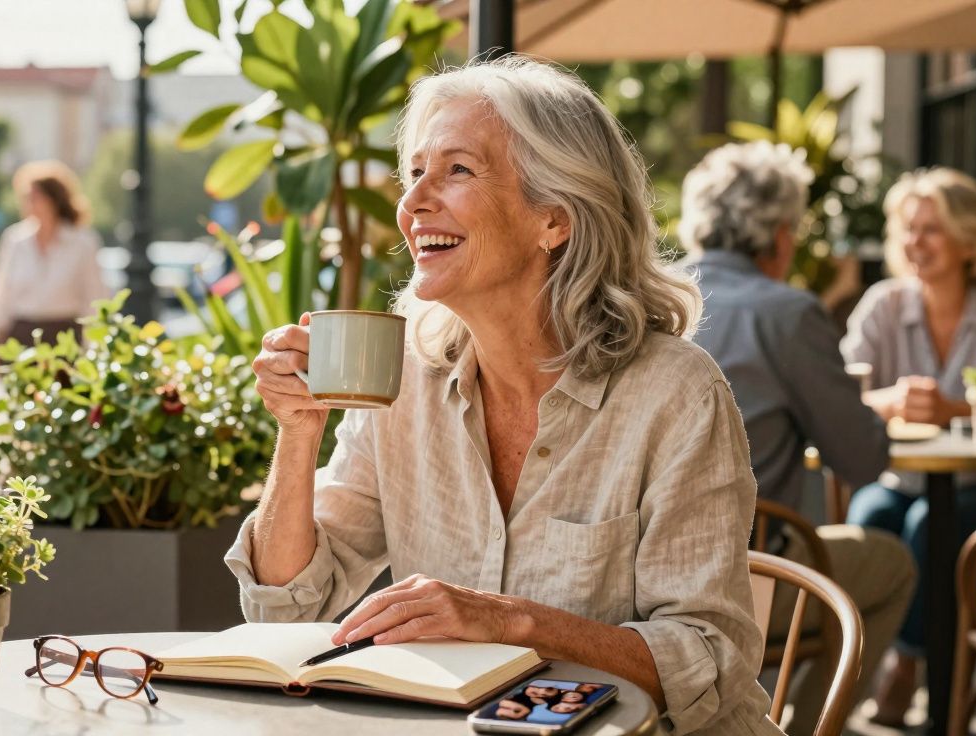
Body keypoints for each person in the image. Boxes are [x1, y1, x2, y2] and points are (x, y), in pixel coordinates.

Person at [229, 57, 780, 735]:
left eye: (457, 170)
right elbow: (284, 611)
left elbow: (711, 658)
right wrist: (297, 430)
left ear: (554, 218)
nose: (412, 203)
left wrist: (508, 622)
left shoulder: (675, 393)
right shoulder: (403, 376)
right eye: (415, 173)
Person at [682, 142, 915, 735]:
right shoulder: (786, 313)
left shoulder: (646, 294)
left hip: (632, 570)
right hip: (743, 576)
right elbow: (863, 459)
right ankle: (806, 728)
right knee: (892, 563)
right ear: (782, 235)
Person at [840, 167, 976, 726]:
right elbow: (841, 396)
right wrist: (889, 401)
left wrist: (958, 410)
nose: (915, 243)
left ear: (971, 240)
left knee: (928, 526)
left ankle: (910, 668)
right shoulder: (883, 305)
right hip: (903, 480)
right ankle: (858, 669)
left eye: (932, 230)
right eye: (909, 230)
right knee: (870, 515)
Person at [0, 160, 106, 347]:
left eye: (35, 197)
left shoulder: (82, 242)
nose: (28, 203)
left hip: (64, 338)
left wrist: (93, 346)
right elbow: (0, 294)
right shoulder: (15, 239)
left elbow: (94, 296)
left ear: (54, 199)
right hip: (22, 336)